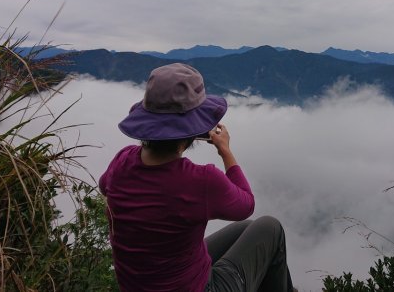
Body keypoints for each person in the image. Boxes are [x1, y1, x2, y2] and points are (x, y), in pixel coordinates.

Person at [99, 63, 295, 292]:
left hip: (140, 285)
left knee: (247, 229)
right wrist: (226, 152)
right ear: (194, 129)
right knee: (270, 228)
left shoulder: (122, 160)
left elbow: (105, 186)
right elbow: (246, 204)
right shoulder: (200, 180)